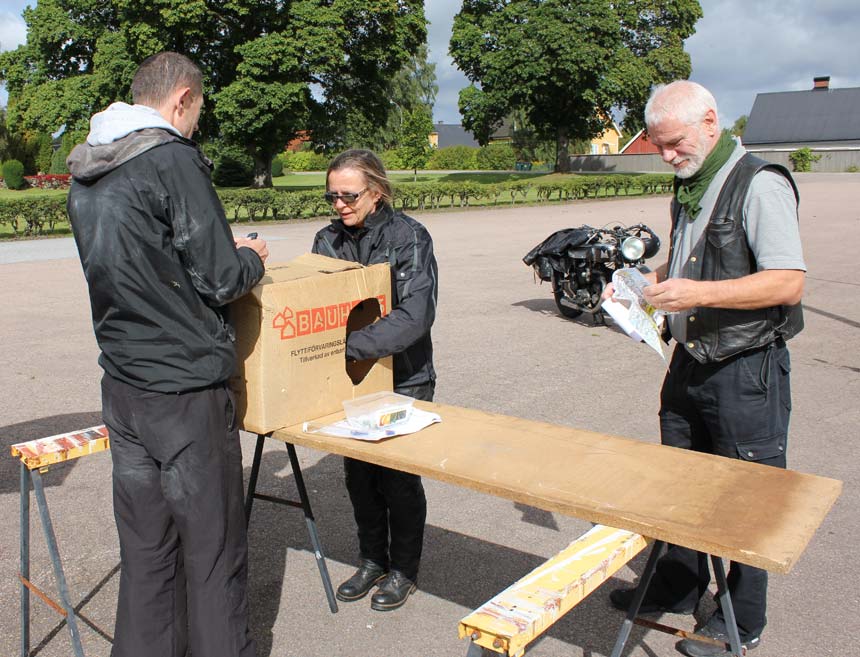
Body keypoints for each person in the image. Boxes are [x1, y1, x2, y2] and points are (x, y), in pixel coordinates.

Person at [67, 52, 268, 657]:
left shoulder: (88, 168)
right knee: (212, 556)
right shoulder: (169, 158)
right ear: (182, 98)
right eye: (198, 112)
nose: (197, 125)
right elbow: (220, 278)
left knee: (147, 551)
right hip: (183, 390)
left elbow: (140, 262)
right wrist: (252, 254)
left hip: (124, 384)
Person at [606, 80, 805, 657]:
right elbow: (695, 257)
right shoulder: (691, 184)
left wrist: (700, 292)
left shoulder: (760, 183)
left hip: (745, 368)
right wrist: (645, 288)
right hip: (689, 361)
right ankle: (677, 581)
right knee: (678, 483)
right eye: (659, 145)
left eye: (673, 142)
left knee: (746, 496)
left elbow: (788, 282)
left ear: (711, 121)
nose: (667, 155)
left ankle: (741, 619)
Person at [312, 149, 438, 611]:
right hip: (350, 382)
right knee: (359, 475)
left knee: (398, 479)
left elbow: (415, 315)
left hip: (405, 377)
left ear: (377, 191)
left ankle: (403, 569)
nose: (340, 204)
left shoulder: (410, 237)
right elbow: (315, 310)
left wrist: (348, 347)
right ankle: (371, 559)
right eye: (332, 196)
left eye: (349, 195)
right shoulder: (326, 240)